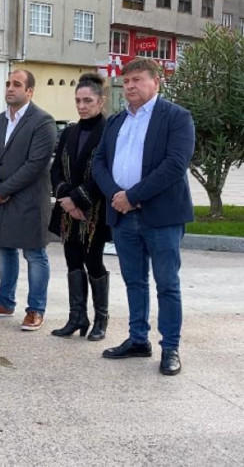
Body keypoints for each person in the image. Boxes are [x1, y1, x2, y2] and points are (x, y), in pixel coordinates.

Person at [92, 57, 195, 376]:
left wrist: (133, 196)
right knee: (134, 281)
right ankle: (138, 340)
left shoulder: (176, 117)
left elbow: (175, 165)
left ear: (156, 82)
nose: (130, 85)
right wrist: (116, 196)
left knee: (167, 283)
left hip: (161, 216)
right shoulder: (116, 121)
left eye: (137, 79)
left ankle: (170, 348)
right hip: (123, 217)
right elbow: (99, 163)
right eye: (127, 80)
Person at [0, 69, 57, 331]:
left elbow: (35, 164)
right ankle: (4, 302)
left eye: (17, 84)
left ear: (30, 91)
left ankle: (35, 309)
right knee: (4, 249)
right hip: (0, 200)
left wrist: (4, 189)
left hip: (30, 201)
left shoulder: (43, 122)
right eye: (8, 83)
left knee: (35, 254)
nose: (10, 88)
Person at [49, 73, 112, 341]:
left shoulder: (110, 131)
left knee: (93, 261)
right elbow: (55, 170)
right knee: (72, 261)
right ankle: (77, 317)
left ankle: (101, 319)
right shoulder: (70, 132)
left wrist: (78, 200)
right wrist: (65, 197)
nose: (82, 105)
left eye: (88, 100)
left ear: (101, 101)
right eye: (78, 100)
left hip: (95, 211)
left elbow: (106, 171)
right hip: (68, 212)